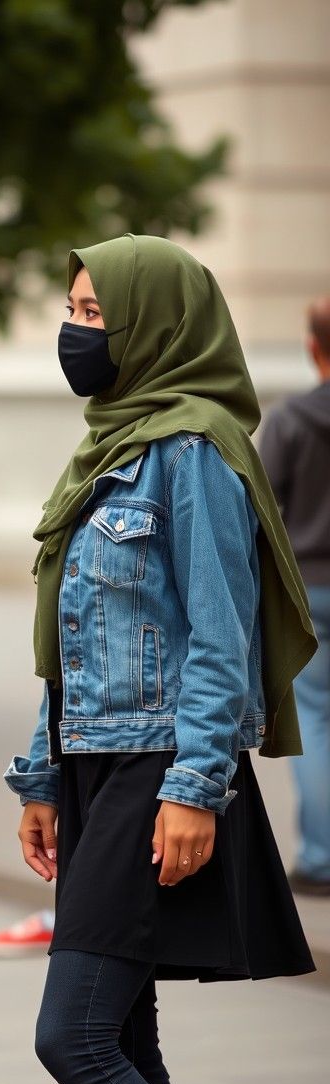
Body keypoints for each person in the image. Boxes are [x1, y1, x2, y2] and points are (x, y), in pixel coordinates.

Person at [3, 234, 316, 1084]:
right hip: (94, 766)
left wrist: (192, 790)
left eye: (98, 315)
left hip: (156, 767)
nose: (75, 331)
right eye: (76, 309)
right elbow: (73, 635)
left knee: (75, 1037)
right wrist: (41, 774)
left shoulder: (190, 452)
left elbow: (220, 640)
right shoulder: (112, 442)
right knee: (122, 1035)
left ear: (156, 325)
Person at [258, 297, 330, 897]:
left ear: (312, 347)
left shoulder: (288, 420)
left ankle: (322, 858)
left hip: (311, 591)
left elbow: (258, 508)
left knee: (316, 718)